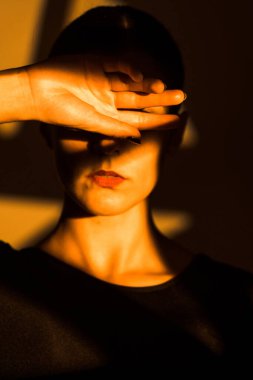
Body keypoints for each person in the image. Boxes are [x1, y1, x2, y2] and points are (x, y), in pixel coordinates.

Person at [0, 5, 252, 379]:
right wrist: (26, 91)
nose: (109, 141)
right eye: (83, 115)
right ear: (45, 127)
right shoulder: (7, 289)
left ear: (176, 135)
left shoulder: (239, 307)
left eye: (137, 114)